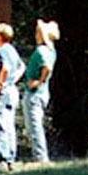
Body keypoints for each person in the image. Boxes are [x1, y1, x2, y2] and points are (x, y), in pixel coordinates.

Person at [23, 19, 59, 164]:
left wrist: (39, 81)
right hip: (42, 93)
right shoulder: (51, 50)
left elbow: (47, 67)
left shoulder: (42, 50)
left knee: (34, 125)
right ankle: (39, 155)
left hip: (35, 93)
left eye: (39, 32)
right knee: (34, 125)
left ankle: (40, 157)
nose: (36, 34)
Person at [0, 23, 25, 172]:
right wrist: (13, 81)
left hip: (4, 92)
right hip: (12, 90)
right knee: (9, 125)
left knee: (0, 125)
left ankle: (4, 160)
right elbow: (22, 67)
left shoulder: (3, 50)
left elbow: (5, 67)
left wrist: (0, 83)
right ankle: (10, 158)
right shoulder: (12, 50)